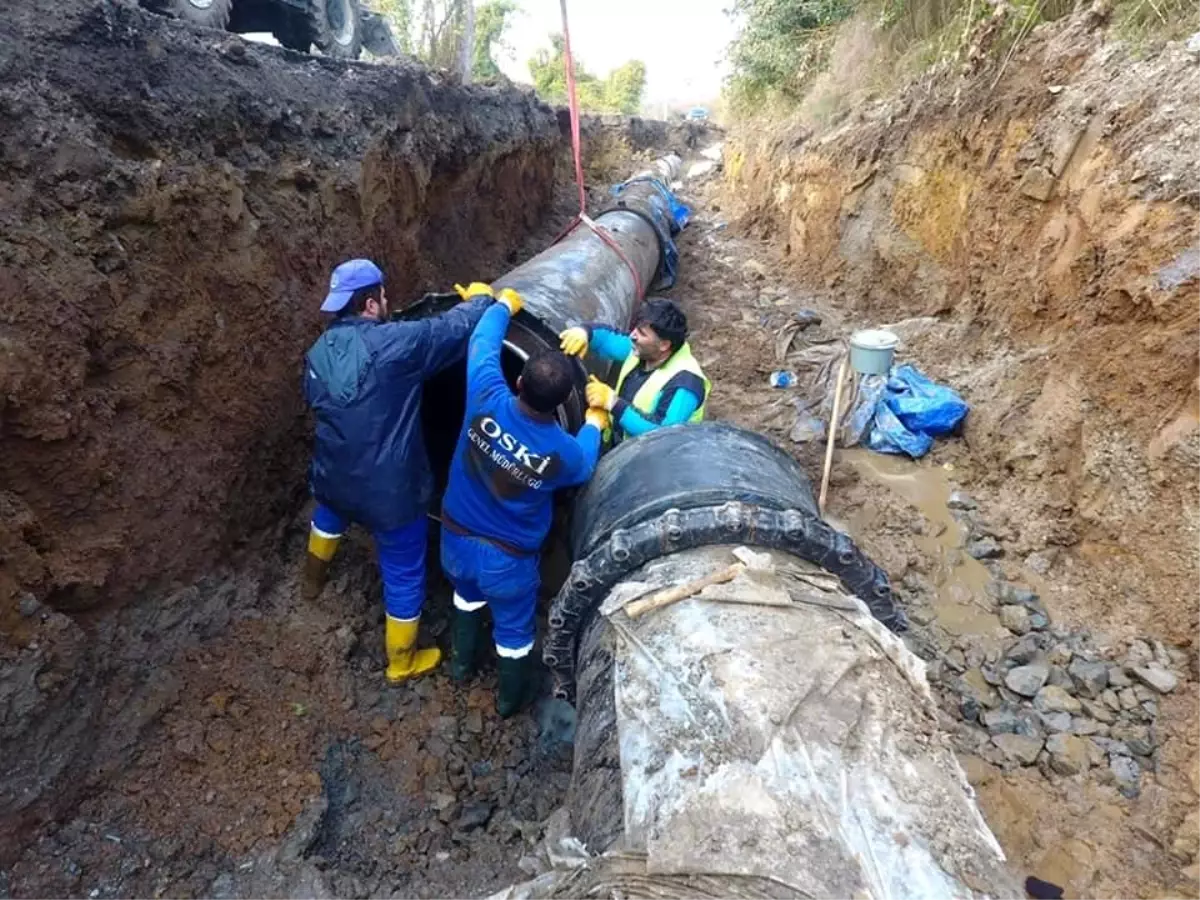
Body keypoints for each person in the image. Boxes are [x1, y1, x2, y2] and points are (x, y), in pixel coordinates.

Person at [302, 258, 497, 684]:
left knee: (327, 518)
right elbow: (449, 331)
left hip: (333, 476)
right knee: (404, 569)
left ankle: (311, 583)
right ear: (372, 304)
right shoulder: (397, 345)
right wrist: (483, 300)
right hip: (390, 494)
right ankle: (401, 661)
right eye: (384, 298)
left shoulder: (316, 353)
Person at [439, 286, 608, 717]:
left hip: (454, 540)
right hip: (508, 562)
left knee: (465, 598)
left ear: (518, 381)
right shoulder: (563, 452)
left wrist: (502, 305)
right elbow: (586, 463)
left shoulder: (485, 394)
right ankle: (508, 703)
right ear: (559, 406)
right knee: (513, 633)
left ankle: (460, 666)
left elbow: (481, 342)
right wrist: (593, 421)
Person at [558, 297, 711, 444]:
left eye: (642, 333)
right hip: (621, 449)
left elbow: (661, 434)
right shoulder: (644, 350)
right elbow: (608, 339)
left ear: (664, 345)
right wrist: (584, 332)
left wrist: (612, 403)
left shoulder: (686, 384)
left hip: (651, 463)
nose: (632, 336)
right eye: (636, 329)